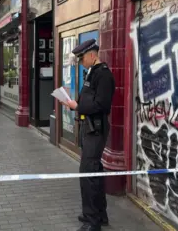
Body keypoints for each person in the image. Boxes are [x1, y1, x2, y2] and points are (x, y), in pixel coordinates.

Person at [63, 39, 115, 231]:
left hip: (96, 129)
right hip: (89, 128)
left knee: (88, 174)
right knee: (95, 171)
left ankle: (92, 222)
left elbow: (102, 104)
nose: (81, 61)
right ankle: (98, 214)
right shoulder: (92, 73)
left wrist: (78, 106)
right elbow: (87, 98)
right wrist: (71, 102)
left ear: (92, 55)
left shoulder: (103, 75)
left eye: (82, 57)